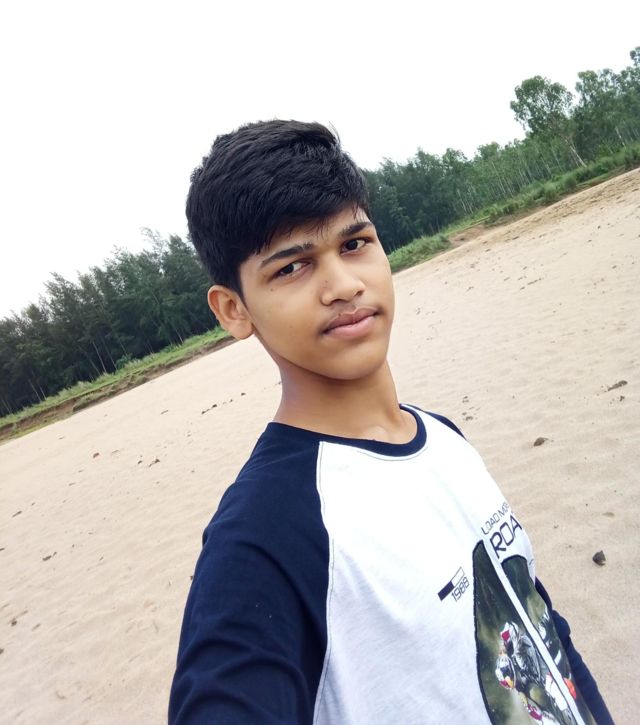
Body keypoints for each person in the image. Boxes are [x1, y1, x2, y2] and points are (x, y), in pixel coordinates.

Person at [168, 120, 612, 724]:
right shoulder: (266, 533)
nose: (344, 285)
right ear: (233, 309)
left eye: (354, 244)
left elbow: (536, 622)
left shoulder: (443, 439)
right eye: (292, 268)